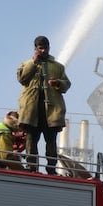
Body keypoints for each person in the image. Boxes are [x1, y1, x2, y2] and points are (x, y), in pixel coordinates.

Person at [17, 35, 71, 174]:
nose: (43, 51)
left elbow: (67, 84)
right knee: (31, 140)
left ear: (49, 48)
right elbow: (22, 79)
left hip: (51, 111)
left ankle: (51, 169)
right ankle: (32, 167)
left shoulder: (58, 67)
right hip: (31, 110)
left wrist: (58, 83)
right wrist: (33, 63)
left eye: (46, 48)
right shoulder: (26, 64)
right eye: (40, 48)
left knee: (51, 141)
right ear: (35, 49)